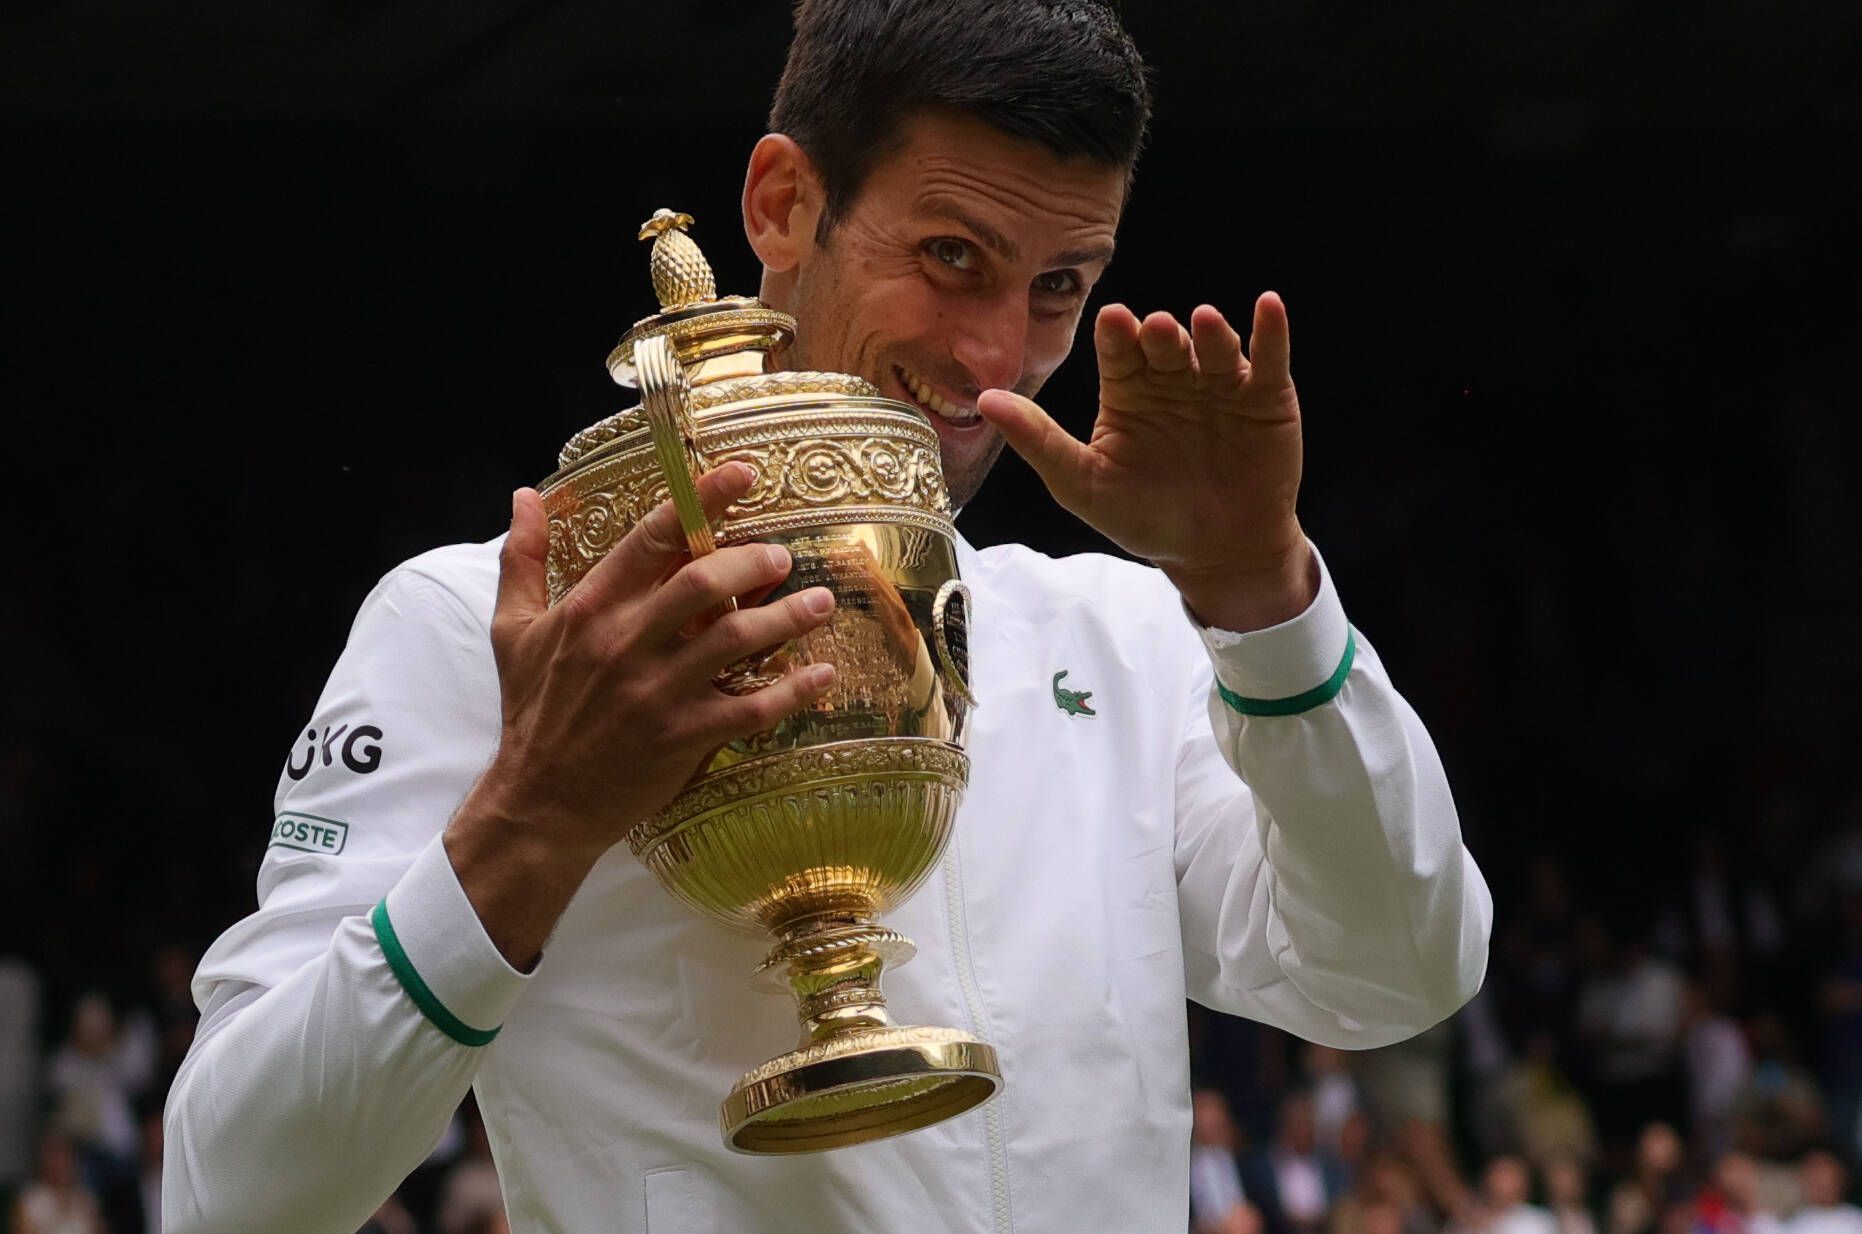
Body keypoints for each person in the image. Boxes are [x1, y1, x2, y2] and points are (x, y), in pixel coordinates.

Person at [160, 2, 1492, 1231]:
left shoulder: (1119, 636)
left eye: (1056, 287)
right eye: (951, 256)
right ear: (783, 203)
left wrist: (1261, 600)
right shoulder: (499, 629)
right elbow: (233, 1197)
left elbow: (1392, 973)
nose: (994, 354)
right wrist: (533, 815)